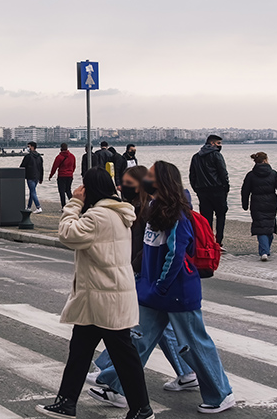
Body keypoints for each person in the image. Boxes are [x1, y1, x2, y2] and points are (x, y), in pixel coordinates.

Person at [90, 161, 236, 415]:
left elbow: (176, 255)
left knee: (196, 344)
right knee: (138, 341)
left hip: (176, 292)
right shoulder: (154, 209)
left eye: (151, 175)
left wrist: (159, 285)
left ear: (163, 181)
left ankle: (221, 394)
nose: (146, 178)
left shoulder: (178, 214)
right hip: (154, 291)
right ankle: (115, 385)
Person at [35, 168, 153, 419]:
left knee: (123, 357)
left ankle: (142, 409)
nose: (81, 190)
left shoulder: (99, 215)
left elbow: (67, 234)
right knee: (83, 352)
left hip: (104, 297)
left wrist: (74, 203)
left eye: (84, 186)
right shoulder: (118, 212)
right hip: (103, 295)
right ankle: (66, 403)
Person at [89, 165, 199, 400]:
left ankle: (110, 377)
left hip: (146, 276)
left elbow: (155, 248)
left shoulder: (153, 209)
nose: (122, 186)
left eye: (128, 182)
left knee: (140, 329)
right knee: (150, 329)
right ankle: (185, 372)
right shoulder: (140, 207)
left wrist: (136, 269)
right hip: (146, 276)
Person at [241, 152, 277, 261]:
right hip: (271, 202)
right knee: (269, 224)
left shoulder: (250, 175)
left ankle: (264, 251)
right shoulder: (273, 174)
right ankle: (265, 250)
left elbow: (245, 191)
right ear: (266, 160)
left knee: (260, 226)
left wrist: (244, 205)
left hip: (256, 202)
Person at [189, 135, 229, 248]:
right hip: (217, 189)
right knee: (221, 215)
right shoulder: (216, 155)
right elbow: (223, 173)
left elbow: (192, 175)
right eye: (218, 143)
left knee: (206, 219)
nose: (220, 146)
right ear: (212, 143)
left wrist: (196, 189)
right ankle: (218, 241)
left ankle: (208, 241)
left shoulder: (196, 157)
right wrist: (226, 187)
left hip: (202, 191)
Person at [19, 142, 44, 213]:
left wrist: (20, 174)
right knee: (32, 191)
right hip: (37, 176)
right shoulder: (39, 157)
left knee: (33, 192)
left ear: (32, 147)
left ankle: (38, 207)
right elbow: (41, 168)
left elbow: (22, 166)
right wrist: (41, 177)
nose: (28, 148)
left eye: (29, 146)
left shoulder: (28, 157)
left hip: (30, 176)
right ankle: (29, 207)